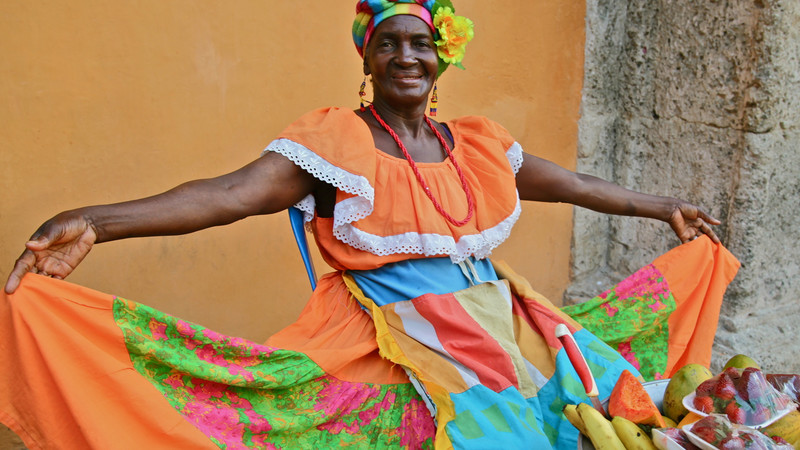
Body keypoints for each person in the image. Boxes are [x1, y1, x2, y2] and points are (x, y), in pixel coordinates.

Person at [1, 1, 739, 449]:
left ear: (441, 56)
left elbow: (570, 183)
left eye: (420, 43)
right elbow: (228, 194)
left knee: (593, 406)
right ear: (368, 56)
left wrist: (659, 204)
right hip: (387, 328)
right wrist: (94, 219)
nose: (406, 56)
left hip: (501, 324)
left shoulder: (476, 144)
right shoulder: (334, 145)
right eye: (389, 42)